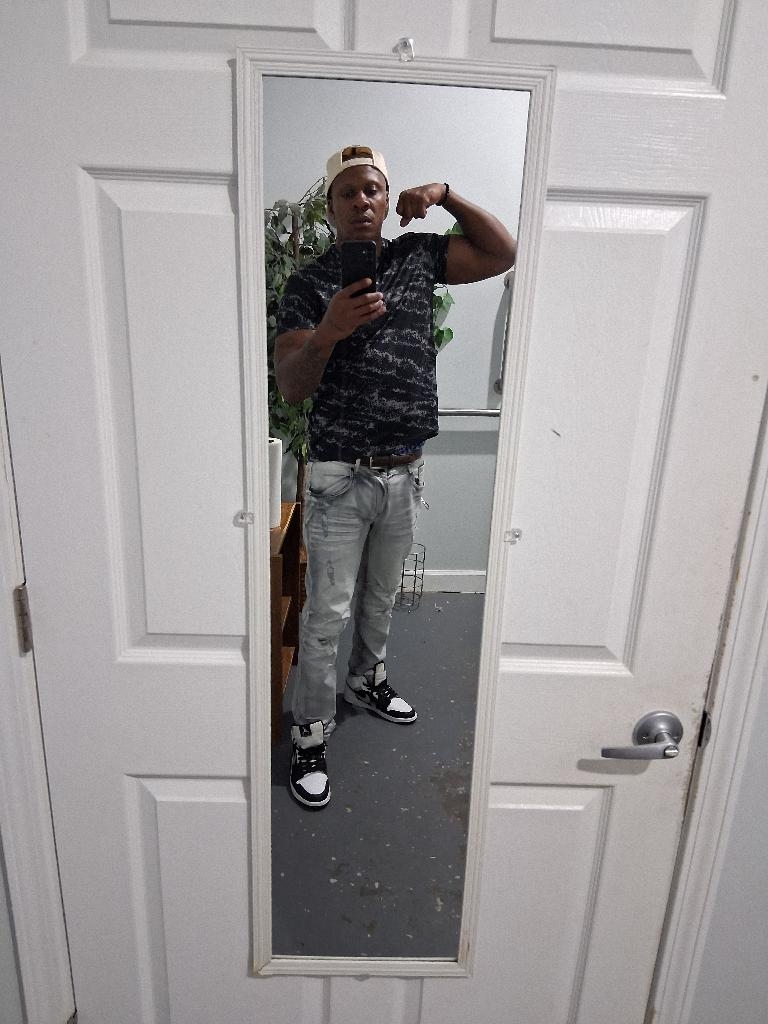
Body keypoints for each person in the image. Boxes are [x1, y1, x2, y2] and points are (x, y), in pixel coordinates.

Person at [275, 144, 516, 807]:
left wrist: (447, 194)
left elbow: (501, 253)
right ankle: (310, 734)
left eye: (372, 190)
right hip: (338, 476)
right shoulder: (308, 286)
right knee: (326, 615)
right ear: (330, 208)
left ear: (387, 202)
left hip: (404, 468)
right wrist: (327, 331)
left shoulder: (417, 258)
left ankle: (367, 680)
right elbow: (291, 386)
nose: (361, 201)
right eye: (347, 193)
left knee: (381, 597)